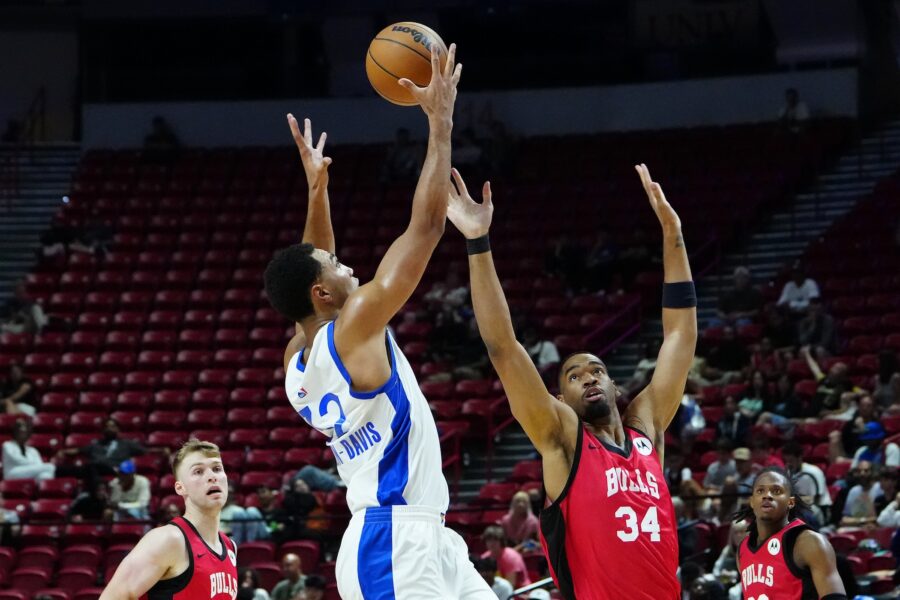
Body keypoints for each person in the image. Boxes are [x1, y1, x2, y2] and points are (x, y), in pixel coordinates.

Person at [265, 46, 492, 600]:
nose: (348, 265)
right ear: (323, 292)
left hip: (421, 537)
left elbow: (313, 262)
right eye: (338, 266)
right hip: (393, 544)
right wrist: (441, 124)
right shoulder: (356, 320)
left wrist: (317, 191)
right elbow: (428, 225)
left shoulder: (299, 354)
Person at [446, 163, 697, 599]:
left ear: (617, 387)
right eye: (575, 376)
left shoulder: (647, 429)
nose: (589, 377)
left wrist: (673, 235)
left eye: (597, 369)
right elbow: (504, 348)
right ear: (561, 398)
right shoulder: (563, 439)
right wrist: (477, 242)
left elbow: (679, 334)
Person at [99, 439, 238, 599]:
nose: (212, 476)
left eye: (217, 468)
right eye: (198, 471)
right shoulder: (169, 539)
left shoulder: (229, 547)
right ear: (180, 488)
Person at [735, 468, 846, 599]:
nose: (767, 495)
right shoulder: (742, 550)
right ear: (752, 501)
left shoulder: (809, 542)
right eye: (760, 491)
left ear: (791, 502)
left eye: (776, 491)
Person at [781, 442, 831, 514]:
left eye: (791, 461)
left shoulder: (814, 472)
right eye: (786, 461)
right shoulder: (788, 473)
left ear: (800, 457)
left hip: (819, 509)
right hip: (799, 507)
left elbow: (815, 500)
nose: (788, 464)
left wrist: (792, 501)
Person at [840, 460, 881, 529]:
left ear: (872, 473)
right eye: (859, 471)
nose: (862, 474)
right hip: (855, 526)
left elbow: (877, 519)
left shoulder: (879, 489)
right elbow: (845, 519)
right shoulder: (853, 491)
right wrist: (863, 521)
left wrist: (857, 521)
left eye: (866, 471)